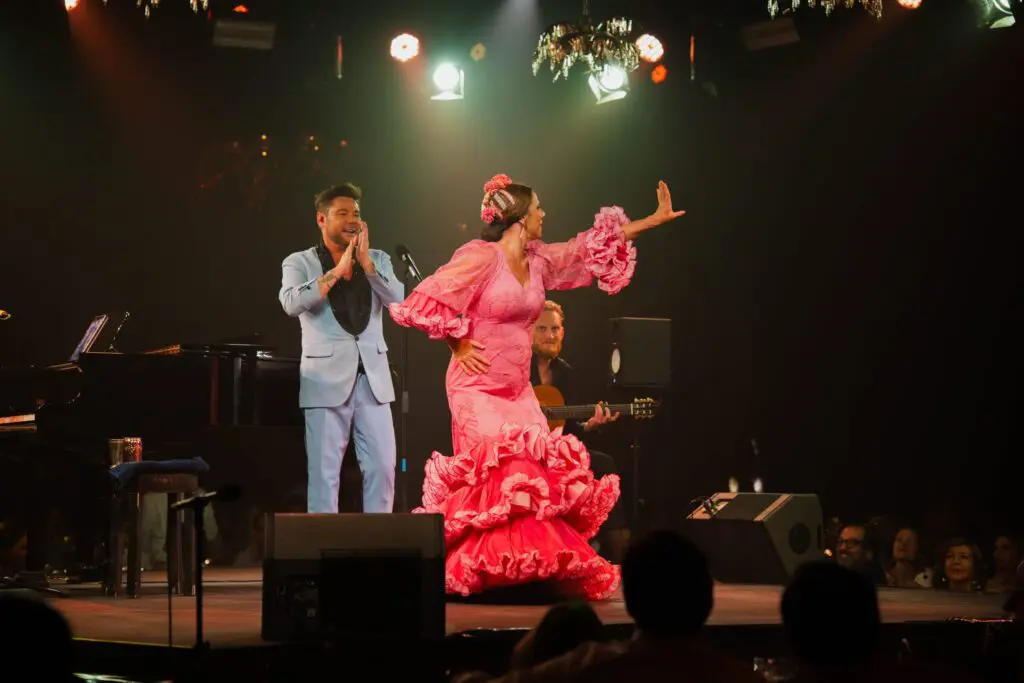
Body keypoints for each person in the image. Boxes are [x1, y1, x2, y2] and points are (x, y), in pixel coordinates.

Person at [389, 173, 685, 599]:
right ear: (520, 219)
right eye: (538, 209)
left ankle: (526, 568)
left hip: (517, 389)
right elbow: (426, 298)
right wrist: (457, 342)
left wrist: (646, 224)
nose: (544, 214)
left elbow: (584, 248)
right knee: (501, 476)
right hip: (476, 387)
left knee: (536, 479)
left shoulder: (540, 260)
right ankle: (486, 570)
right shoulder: (480, 258)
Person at [279, 182, 404, 513]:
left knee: (382, 467)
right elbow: (291, 303)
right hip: (324, 380)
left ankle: (380, 546)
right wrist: (336, 272)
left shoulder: (377, 260)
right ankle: (323, 553)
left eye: (357, 214)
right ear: (322, 219)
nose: (352, 220)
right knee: (324, 475)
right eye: (343, 213)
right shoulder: (299, 262)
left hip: (373, 379)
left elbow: (400, 303)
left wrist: (367, 265)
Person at [531, 299, 628, 563]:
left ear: (562, 332)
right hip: (523, 452)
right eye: (542, 329)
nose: (550, 336)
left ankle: (617, 561)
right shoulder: (517, 370)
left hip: (557, 451)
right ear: (529, 330)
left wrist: (590, 425)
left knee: (604, 463)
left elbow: (571, 429)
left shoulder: (566, 374)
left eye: (555, 329)